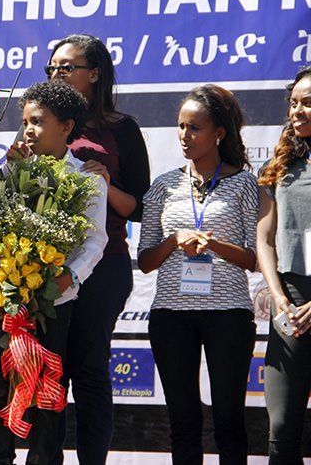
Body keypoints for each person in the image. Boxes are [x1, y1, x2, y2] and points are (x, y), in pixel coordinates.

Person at [0, 81, 108, 465]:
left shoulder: (88, 178)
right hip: (7, 299)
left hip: (55, 300)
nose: (28, 130)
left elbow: (95, 241)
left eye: (38, 121)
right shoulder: (9, 171)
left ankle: (44, 460)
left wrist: (66, 279)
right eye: (24, 122)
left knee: (48, 388)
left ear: (67, 127)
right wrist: (5, 175)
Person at [42, 34, 150, 464]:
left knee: (88, 371)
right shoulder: (41, 123)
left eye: (66, 67)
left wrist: (105, 183)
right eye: (51, 68)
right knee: (50, 371)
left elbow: (140, 207)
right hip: (46, 268)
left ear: (95, 73)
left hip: (103, 265)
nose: (57, 74)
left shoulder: (121, 128)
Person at [138, 85, 257, 464]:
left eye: (195, 128)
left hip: (229, 315)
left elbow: (255, 258)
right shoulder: (163, 186)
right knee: (183, 423)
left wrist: (212, 244)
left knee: (229, 423)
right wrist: (174, 239)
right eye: (180, 127)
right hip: (171, 316)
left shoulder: (245, 184)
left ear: (219, 132)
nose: (184, 137)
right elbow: (145, 260)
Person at [256, 65, 311, 463]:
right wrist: (278, 298)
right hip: (291, 301)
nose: (297, 111)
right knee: (281, 427)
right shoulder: (280, 167)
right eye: (293, 102)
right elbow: (264, 239)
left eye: (308, 103)